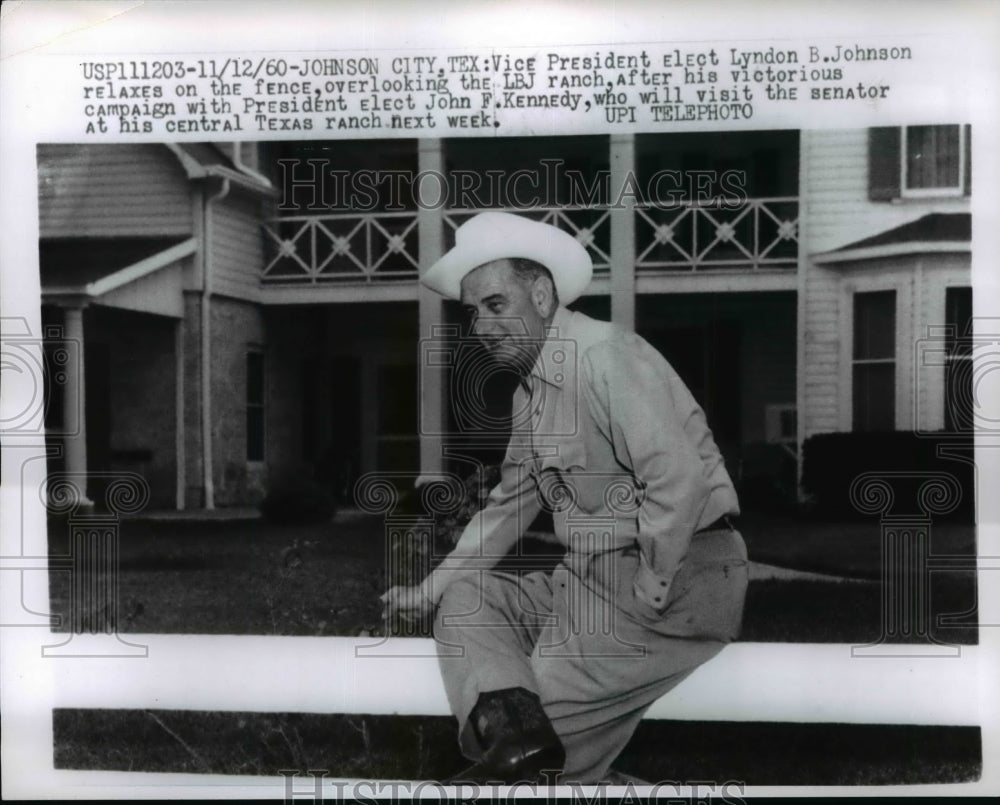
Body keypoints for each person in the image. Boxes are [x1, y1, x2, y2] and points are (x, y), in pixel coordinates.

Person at [381, 211, 748, 784]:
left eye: (496, 304)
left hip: (676, 578)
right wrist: (429, 591)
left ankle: (521, 765)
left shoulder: (605, 358)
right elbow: (507, 508)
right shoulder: (530, 396)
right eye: (472, 310)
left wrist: (651, 588)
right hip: (587, 581)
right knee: (470, 603)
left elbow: (679, 480)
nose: (480, 324)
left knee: (537, 753)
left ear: (543, 294)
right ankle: (518, 751)